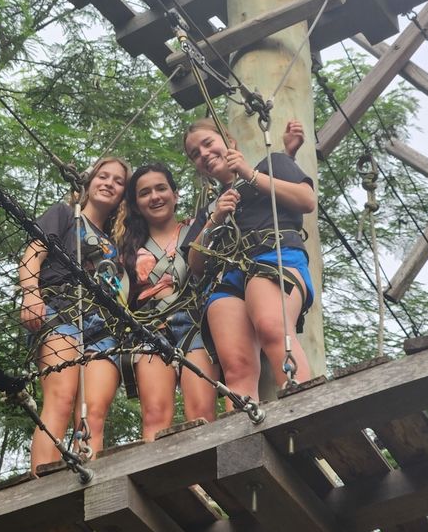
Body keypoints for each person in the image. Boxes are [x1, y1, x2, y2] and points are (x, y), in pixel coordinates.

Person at [182, 119, 315, 401]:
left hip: (272, 255)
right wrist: (216, 218)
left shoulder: (272, 164)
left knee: (272, 326)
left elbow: (306, 200)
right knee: (236, 366)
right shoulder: (210, 208)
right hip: (227, 278)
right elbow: (195, 263)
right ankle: (244, 438)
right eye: (196, 154)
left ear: (229, 141)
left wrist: (247, 173)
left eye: (208, 144)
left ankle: (303, 408)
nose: (204, 154)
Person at [19, 157, 130, 470]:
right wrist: (30, 293)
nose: (108, 183)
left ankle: (88, 483)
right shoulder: (65, 214)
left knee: (92, 412)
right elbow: (32, 254)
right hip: (62, 310)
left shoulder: (115, 244)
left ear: (123, 194)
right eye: (102, 176)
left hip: (103, 327)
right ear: (88, 181)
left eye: (118, 181)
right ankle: (42, 487)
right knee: (61, 398)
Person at [120, 162, 219, 440]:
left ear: (175, 194)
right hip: (149, 328)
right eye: (145, 192)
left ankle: (206, 481)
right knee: (155, 416)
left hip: (194, 324)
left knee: (201, 412)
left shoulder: (198, 229)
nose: (155, 196)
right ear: (137, 204)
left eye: (161, 188)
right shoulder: (128, 247)